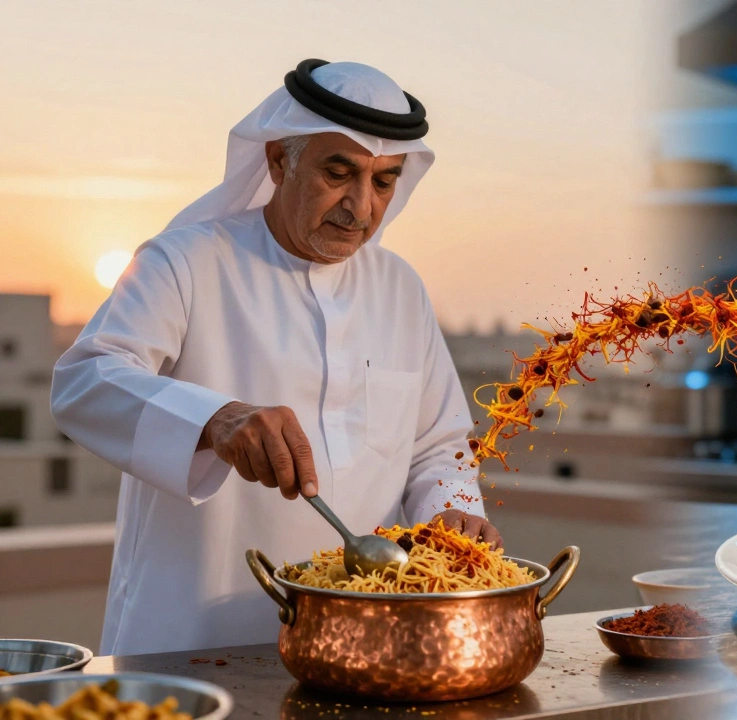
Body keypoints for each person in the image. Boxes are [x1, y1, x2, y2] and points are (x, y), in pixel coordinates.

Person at [51, 60, 499, 655]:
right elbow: (85, 380)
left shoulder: (399, 288)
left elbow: (438, 444)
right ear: (278, 162)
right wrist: (214, 419)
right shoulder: (184, 262)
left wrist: (451, 509)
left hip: (360, 643)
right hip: (193, 637)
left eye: (384, 182)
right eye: (338, 174)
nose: (361, 207)